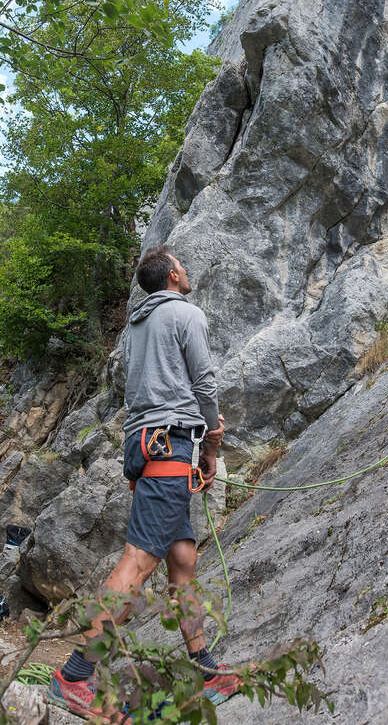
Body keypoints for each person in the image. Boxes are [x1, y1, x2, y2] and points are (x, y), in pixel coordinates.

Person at [47, 245, 239, 719]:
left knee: (182, 558)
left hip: (142, 445)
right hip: (170, 445)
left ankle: (203, 668)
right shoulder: (185, 314)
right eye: (184, 266)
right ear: (173, 275)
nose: (188, 271)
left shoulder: (136, 326)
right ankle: (74, 676)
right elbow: (205, 385)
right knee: (138, 561)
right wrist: (212, 442)